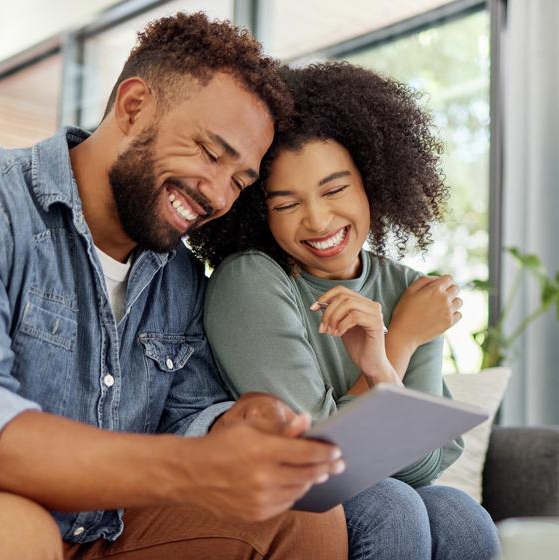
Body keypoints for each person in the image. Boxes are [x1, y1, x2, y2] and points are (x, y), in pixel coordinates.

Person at [0, 13, 350, 560]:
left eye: (240, 181)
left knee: (303, 515)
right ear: (133, 107)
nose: (219, 194)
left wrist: (234, 424)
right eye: (211, 153)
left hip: (94, 534)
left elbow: (187, 417)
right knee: (8, 533)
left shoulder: (180, 277)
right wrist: (188, 469)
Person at [188, 62, 502, 560]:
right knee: (391, 504)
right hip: (273, 501)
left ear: (371, 184)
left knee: (459, 514)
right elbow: (311, 455)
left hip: (370, 490)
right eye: (286, 204)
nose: (317, 219)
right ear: (260, 211)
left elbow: (423, 466)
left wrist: (384, 360)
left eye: (334, 190)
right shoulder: (251, 280)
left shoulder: (408, 289)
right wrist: (397, 343)